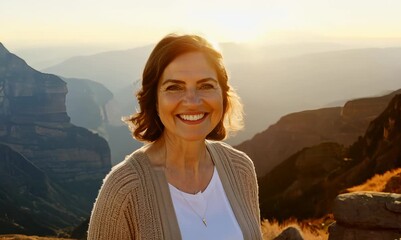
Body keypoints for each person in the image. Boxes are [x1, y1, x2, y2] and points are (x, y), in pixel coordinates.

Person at [87, 33, 262, 240]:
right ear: (154, 100)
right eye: (174, 87)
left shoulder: (240, 169)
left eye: (206, 85)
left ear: (223, 95)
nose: (192, 100)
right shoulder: (124, 189)